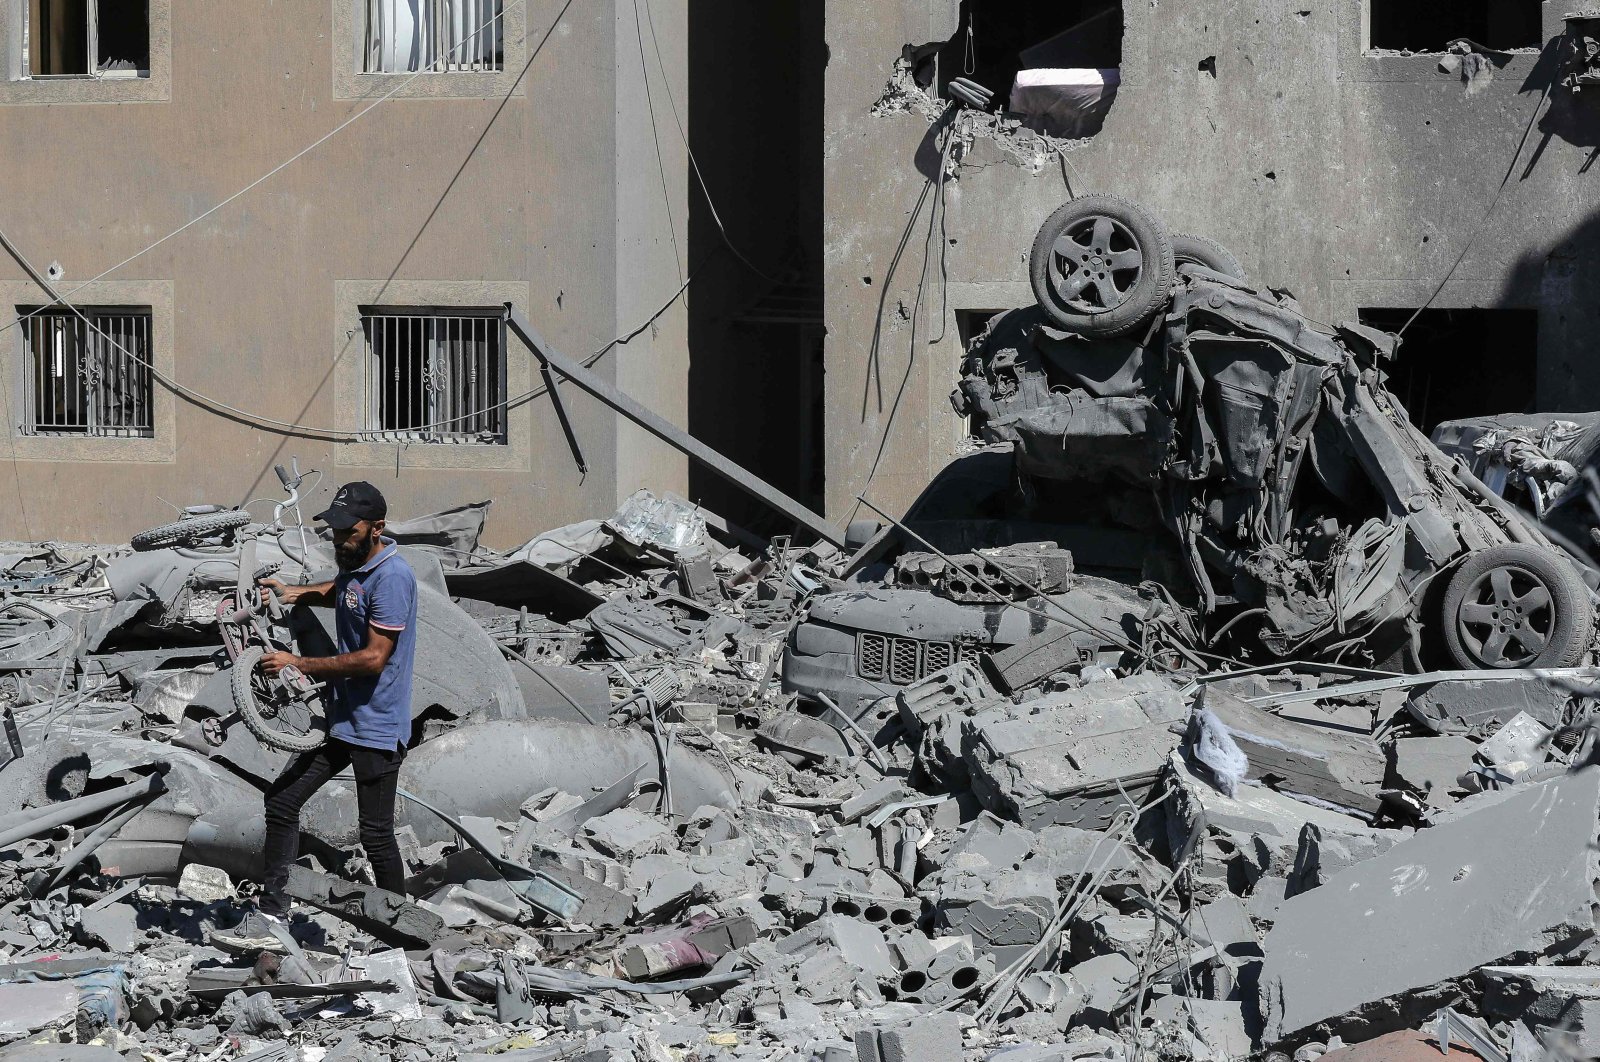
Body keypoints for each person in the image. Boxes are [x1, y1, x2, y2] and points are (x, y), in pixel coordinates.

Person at [211, 481, 418, 952]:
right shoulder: (357, 566)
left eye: (348, 531)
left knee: (376, 835)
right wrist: (294, 593)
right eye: (334, 529)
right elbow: (339, 592)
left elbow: (373, 658)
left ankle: (401, 938)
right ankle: (273, 915)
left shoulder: (393, 577)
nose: (338, 538)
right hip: (340, 717)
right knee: (283, 803)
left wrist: (298, 664)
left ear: (376, 528)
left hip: (376, 726)